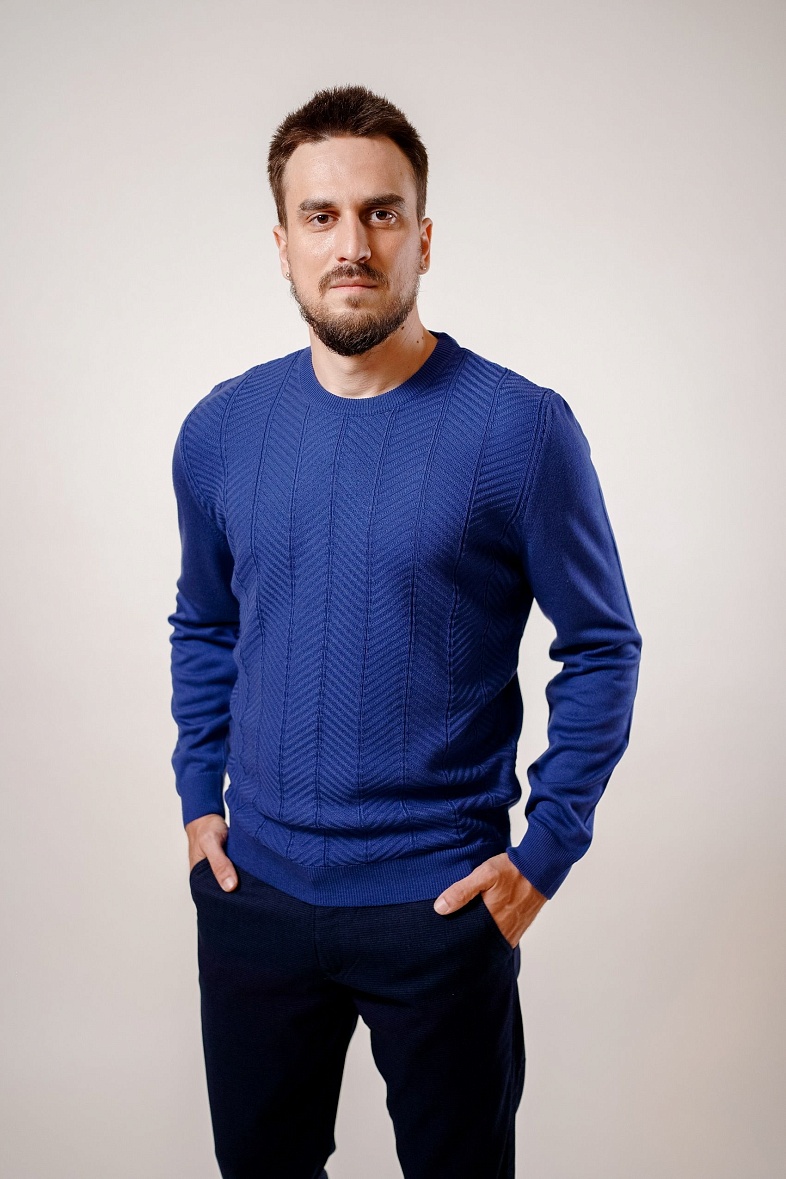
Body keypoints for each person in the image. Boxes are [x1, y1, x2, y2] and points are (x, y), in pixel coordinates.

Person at [167, 83, 642, 1179]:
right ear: (282, 245)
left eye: (381, 213)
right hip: (253, 898)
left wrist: (545, 853)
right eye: (321, 216)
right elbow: (206, 621)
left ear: (422, 238)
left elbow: (601, 645)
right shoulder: (221, 430)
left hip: (441, 907)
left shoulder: (520, 431)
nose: (352, 244)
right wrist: (198, 799)